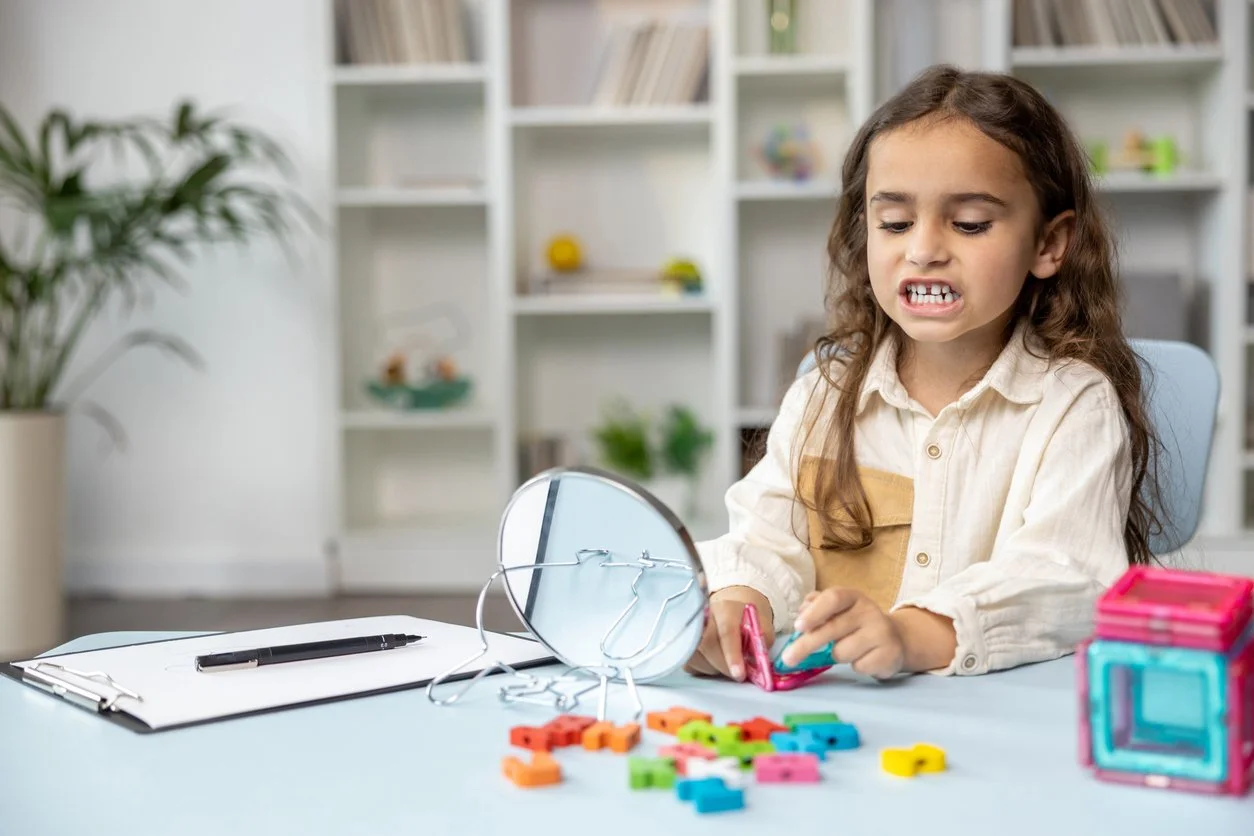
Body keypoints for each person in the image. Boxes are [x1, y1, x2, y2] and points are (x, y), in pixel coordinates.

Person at [687, 64, 1162, 682]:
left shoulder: (1075, 405)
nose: (924, 249)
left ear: (1049, 243)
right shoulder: (821, 397)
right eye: (895, 223)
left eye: (968, 223)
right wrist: (738, 600)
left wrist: (914, 633)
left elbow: (1065, 579)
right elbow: (764, 539)